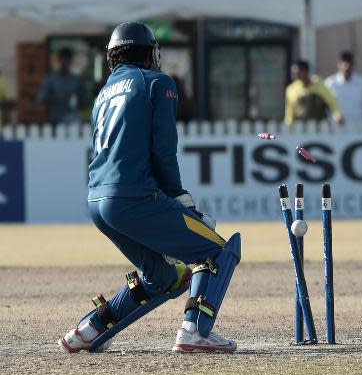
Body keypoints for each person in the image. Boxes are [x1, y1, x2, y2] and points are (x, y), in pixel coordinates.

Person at [58, 22, 240, 354]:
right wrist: (179, 197)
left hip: (98, 199)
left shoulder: (103, 94)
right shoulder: (157, 82)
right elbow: (162, 150)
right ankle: (194, 331)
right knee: (215, 251)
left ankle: (88, 330)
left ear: (113, 57)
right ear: (149, 53)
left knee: (163, 276)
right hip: (133, 197)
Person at [35, 47, 86, 125]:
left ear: (71, 61)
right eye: (63, 60)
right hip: (54, 121)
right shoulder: (50, 79)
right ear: (59, 60)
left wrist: (75, 101)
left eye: (67, 60)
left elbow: (83, 102)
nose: (65, 63)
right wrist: (60, 98)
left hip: (73, 121)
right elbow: (41, 98)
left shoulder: (77, 80)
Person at [285, 60, 342, 125]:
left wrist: (338, 116)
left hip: (319, 126)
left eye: (298, 73)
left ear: (306, 71)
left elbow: (332, 102)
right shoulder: (291, 89)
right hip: (300, 127)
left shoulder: (319, 84)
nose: (295, 76)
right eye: (293, 74)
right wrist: (288, 125)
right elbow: (289, 111)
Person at [325, 51, 362, 123]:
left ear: (353, 65)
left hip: (358, 129)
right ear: (339, 64)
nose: (347, 67)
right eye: (344, 63)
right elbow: (327, 107)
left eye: (350, 63)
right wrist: (336, 117)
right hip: (336, 129)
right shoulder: (330, 83)